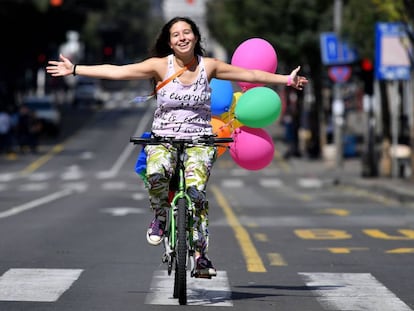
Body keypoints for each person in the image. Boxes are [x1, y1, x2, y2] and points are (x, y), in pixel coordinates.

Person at [46, 16, 308, 277]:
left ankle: (201, 256)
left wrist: (286, 80)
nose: (182, 37)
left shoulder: (211, 66)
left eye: (187, 32)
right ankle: (161, 217)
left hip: (199, 140)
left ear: (195, 37)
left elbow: (250, 74)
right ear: (170, 42)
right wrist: (76, 69)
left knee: (196, 193)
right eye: (176, 34)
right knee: (157, 172)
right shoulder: (160, 66)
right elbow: (119, 71)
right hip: (163, 138)